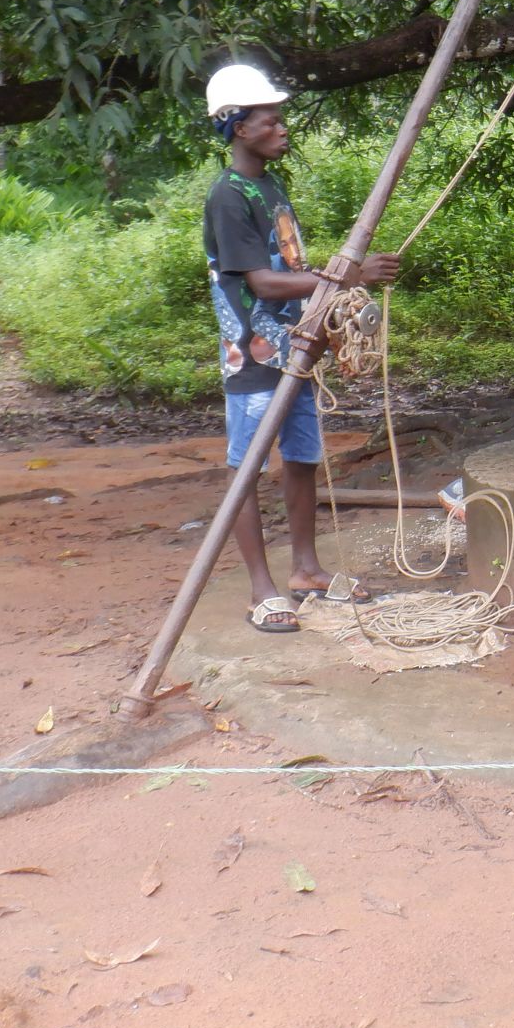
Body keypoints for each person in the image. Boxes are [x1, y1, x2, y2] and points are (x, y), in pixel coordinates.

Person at [202, 63, 401, 633]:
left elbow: (289, 268)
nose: (282, 126)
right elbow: (263, 283)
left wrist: (335, 296)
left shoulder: (269, 186)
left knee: (302, 457)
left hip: (296, 348)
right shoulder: (228, 196)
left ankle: (306, 571)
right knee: (247, 467)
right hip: (255, 355)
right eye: (270, 119)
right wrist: (348, 277)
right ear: (239, 127)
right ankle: (262, 590)